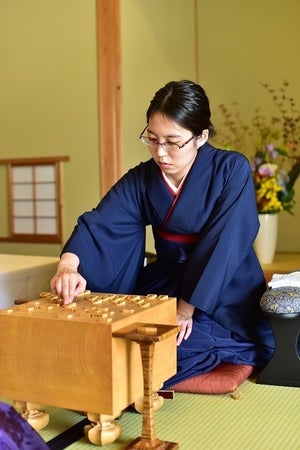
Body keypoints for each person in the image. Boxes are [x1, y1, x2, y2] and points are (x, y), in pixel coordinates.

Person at [51, 80, 274, 387]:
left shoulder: (230, 169)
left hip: (222, 290)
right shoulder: (142, 178)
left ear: (201, 136)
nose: (160, 152)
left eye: (173, 141)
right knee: (117, 334)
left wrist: (184, 310)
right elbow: (102, 223)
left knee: (159, 348)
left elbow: (226, 244)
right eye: (152, 139)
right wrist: (68, 266)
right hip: (168, 282)